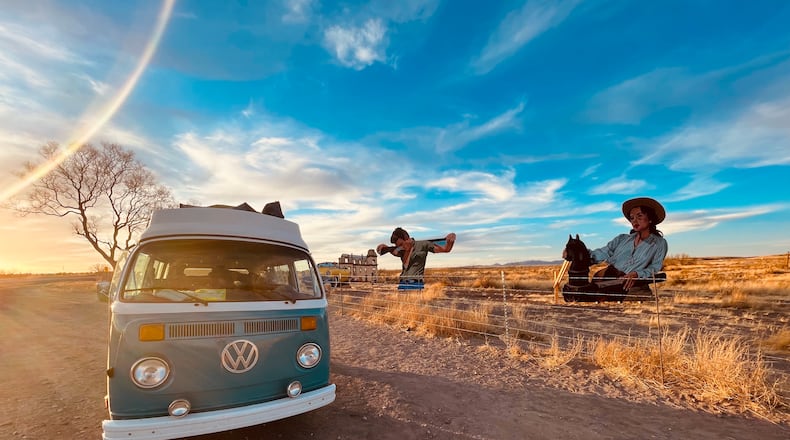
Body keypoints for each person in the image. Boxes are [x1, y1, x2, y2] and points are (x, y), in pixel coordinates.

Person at [576, 197, 668, 292]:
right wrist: (580, 253)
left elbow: (655, 267)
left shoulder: (659, 243)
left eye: (639, 216)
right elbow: (604, 252)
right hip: (605, 278)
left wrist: (637, 274)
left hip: (631, 285)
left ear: (650, 219)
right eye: (632, 218)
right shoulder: (622, 238)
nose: (634, 221)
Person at [377, 227, 456, 288]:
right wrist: (384, 248)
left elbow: (446, 249)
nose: (400, 247)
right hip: (402, 284)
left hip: (416, 284)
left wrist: (451, 241)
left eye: (401, 244)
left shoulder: (423, 244)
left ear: (406, 238)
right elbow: (405, 264)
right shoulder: (400, 250)